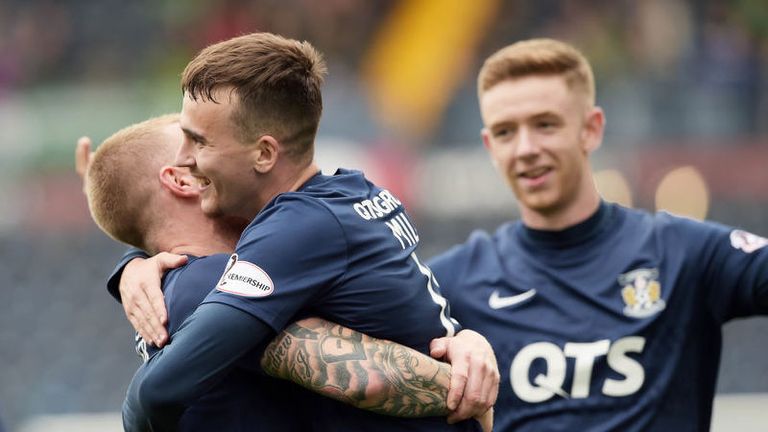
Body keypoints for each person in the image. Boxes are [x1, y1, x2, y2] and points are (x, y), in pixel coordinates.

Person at [110, 32, 497, 431]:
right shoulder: (355, 193)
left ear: (264, 154)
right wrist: (133, 262)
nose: (183, 158)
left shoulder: (294, 231)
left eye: (199, 141)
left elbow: (159, 390)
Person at [426, 38, 768, 431]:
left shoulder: (682, 253)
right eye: (505, 132)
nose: (525, 148)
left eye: (545, 125)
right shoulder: (451, 285)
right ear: (489, 146)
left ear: (591, 129)